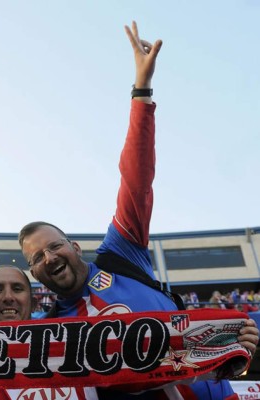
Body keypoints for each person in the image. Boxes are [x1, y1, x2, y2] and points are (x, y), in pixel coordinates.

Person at [18, 22, 259, 399]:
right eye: (36, 258)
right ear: (34, 273)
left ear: (76, 247)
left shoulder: (119, 255)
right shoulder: (49, 336)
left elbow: (136, 179)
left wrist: (141, 91)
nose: (48, 258)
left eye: (54, 246)